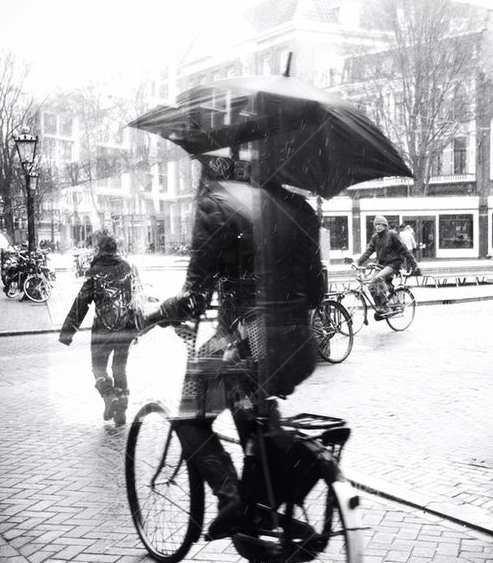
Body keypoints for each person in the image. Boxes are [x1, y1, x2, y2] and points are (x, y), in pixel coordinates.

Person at [146, 156, 323, 540]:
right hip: (297, 345)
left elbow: (193, 300)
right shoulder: (303, 210)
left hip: (243, 343)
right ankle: (263, 499)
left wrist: (151, 315)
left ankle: (231, 500)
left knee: (190, 417)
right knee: (247, 402)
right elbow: (318, 291)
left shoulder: (219, 206)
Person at [59, 234, 143, 426]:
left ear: (100, 250)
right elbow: (137, 298)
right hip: (125, 329)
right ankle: (121, 408)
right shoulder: (128, 267)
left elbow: (82, 302)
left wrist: (67, 332)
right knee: (119, 367)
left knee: (98, 367)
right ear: (115, 249)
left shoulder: (95, 271)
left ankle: (109, 397)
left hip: (102, 330)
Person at [354, 216, 419, 318]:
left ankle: (385, 305)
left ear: (385, 225)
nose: (378, 227)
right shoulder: (375, 237)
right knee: (371, 285)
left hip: (394, 264)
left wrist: (414, 264)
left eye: (380, 224)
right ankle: (380, 307)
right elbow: (368, 251)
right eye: (376, 225)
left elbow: (405, 250)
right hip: (381, 265)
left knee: (378, 278)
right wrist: (358, 262)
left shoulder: (392, 234)